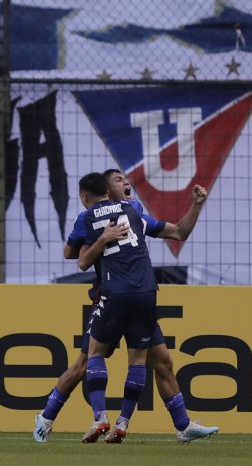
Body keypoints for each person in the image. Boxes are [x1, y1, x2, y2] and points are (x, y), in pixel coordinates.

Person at [33, 170, 218, 444]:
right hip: (113, 297)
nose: (126, 182)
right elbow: (78, 257)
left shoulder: (136, 214)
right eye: (119, 180)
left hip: (133, 296)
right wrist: (103, 238)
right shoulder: (94, 220)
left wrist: (196, 206)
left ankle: (182, 425)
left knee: (163, 362)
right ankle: (47, 418)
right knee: (83, 364)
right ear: (107, 191)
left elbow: (179, 231)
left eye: (125, 178)